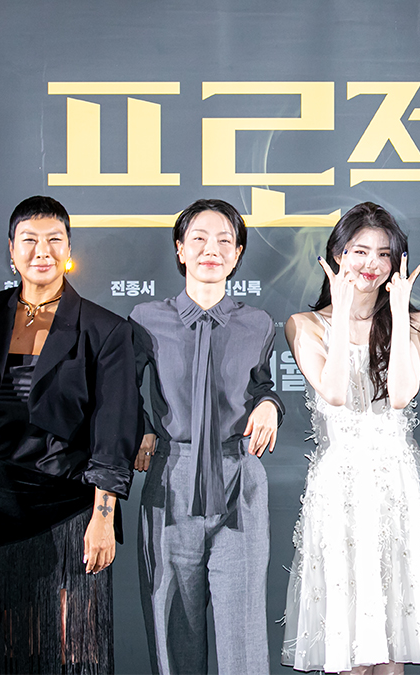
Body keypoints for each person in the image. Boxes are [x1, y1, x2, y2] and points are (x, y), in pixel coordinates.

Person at [282, 202, 420, 674]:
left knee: (391, 642)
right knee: (349, 645)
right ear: (337, 255)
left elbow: (401, 395)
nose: (372, 264)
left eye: (384, 254)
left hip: (397, 485)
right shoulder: (305, 325)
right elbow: (335, 392)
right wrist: (342, 313)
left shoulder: (416, 321)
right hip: (340, 487)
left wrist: (400, 310)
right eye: (360, 251)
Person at [0, 196, 138, 674]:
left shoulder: (105, 329)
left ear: (69, 249)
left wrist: (103, 516)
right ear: (11, 250)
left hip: (71, 501)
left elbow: (114, 429)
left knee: (74, 644)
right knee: (8, 641)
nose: (42, 251)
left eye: (54, 239)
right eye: (30, 240)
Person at [130, 199, 283, 675]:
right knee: (173, 630)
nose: (210, 249)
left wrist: (271, 405)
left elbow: (262, 385)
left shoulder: (257, 323)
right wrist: (143, 429)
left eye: (224, 241)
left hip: (239, 479)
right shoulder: (145, 320)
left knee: (243, 636)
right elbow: (120, 393)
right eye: (198, 238)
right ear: (180, 249)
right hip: (171, 480)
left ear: (237, 255)